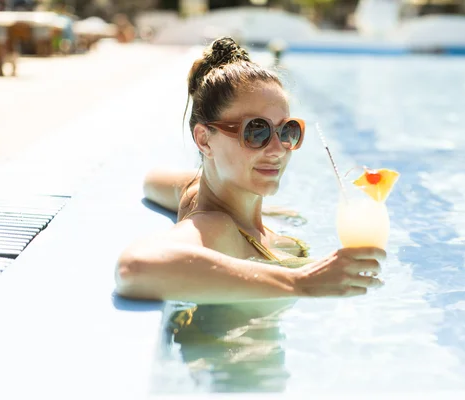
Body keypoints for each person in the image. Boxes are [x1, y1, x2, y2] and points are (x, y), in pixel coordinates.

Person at [115, 36, 385, 307]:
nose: (278, 149)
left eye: (287, 130)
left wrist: (260, 208)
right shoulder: (217, 229)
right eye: (257, 131)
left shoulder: (196, 194)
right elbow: (134, 269)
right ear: (204, 140)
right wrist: (300, 282)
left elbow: (153, 181)